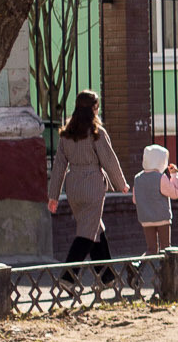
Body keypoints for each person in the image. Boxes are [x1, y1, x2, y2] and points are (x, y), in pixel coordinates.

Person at [47, 89, 128, 284]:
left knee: (96, 229)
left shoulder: (67, 134)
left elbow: (58, 166)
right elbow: (109, 160)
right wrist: (121, 184)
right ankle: (68, 277)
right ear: (94, 109)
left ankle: (107, 276)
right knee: (86, 234)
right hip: (92, 186)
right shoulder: (96, 133)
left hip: (74, 186)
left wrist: (53, 196)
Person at [133, 144, 178, 254]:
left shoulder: (138, 178)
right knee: (166, 248)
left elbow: (135, 200)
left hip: (145, 219)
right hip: (162, 218)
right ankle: (164, 270)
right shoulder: (161, 178)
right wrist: (174, 175)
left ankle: (139, 265)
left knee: (151, 249)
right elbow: (175, 193)